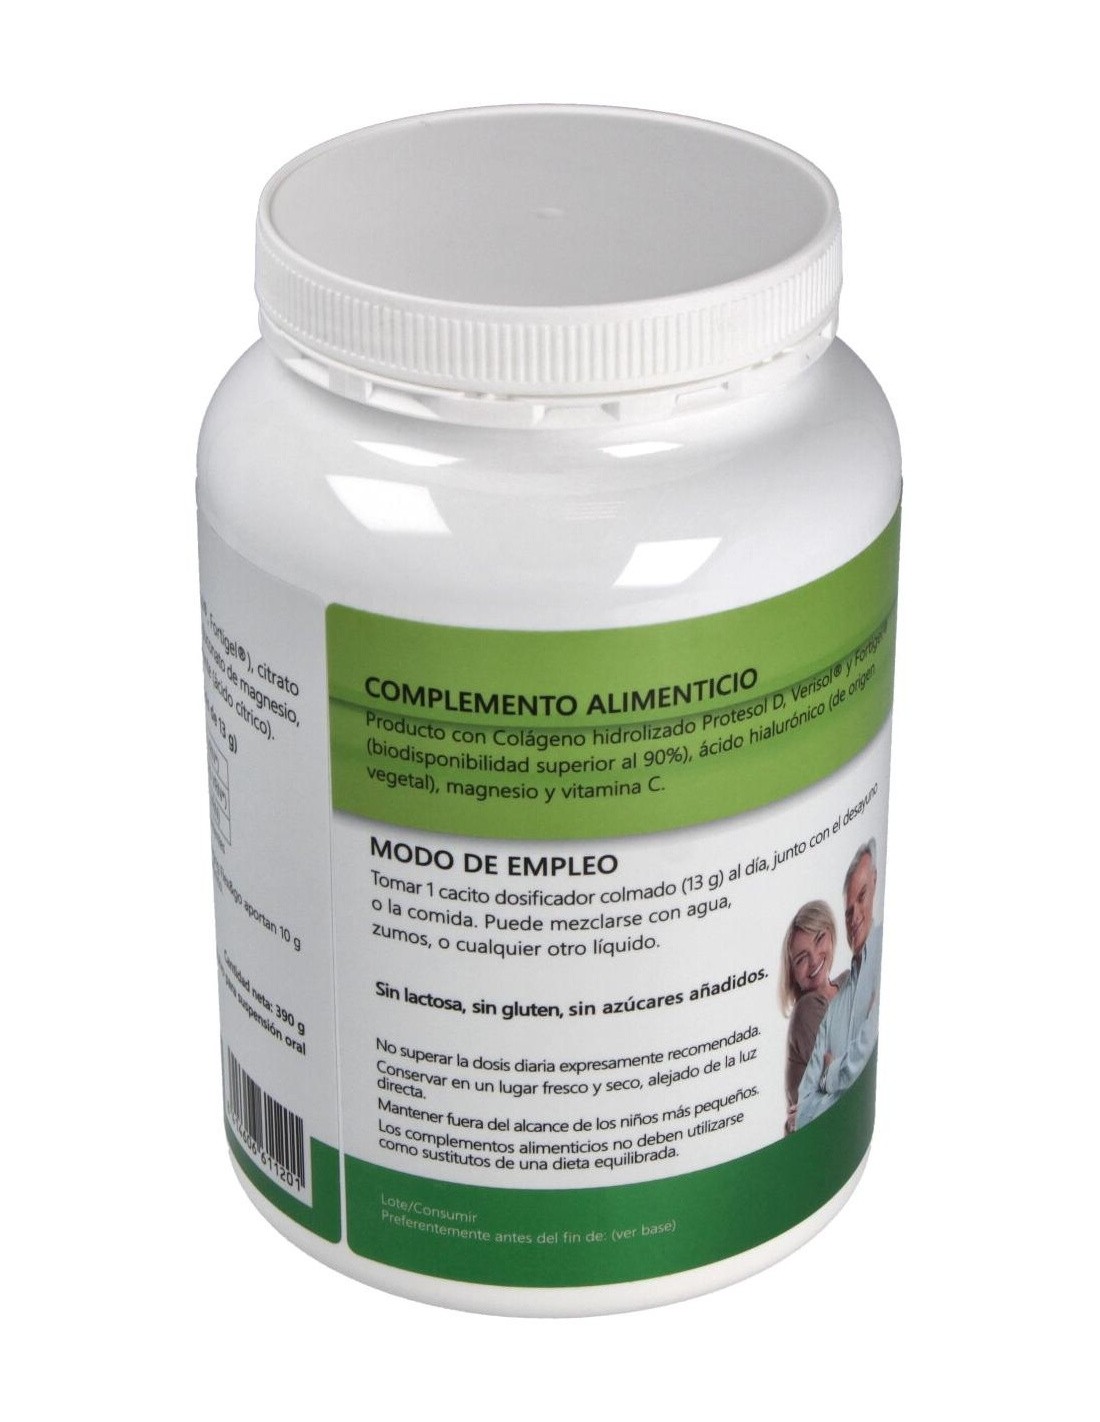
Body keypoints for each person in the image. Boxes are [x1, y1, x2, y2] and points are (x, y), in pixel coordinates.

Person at [795, 840, 882, 1128]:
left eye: (862, 896)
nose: (855, 916)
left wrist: (830, 1075)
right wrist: (843, 1082)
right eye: (847, 911)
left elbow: (865, 1053)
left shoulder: (881, 952)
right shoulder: (828, 1009)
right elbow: (802, 1110)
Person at [780, 900, 846, 1133]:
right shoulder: (807, 1008)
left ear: (831, 933)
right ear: (793, 975)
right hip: (816, 1138)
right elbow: (842, 1073)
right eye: (801, 959)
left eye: (819, 939)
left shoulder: (848, 979)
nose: (815, 960)